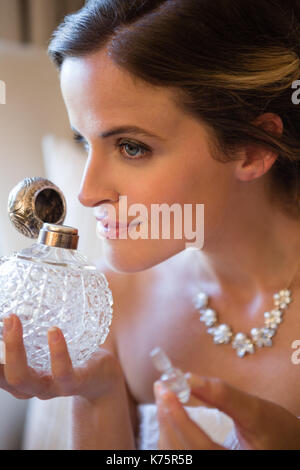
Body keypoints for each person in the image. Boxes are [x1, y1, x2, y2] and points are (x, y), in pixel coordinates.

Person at [1, 0, 300, 450]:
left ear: (252, 151)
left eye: (132, 147)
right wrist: (99, 395)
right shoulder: (107, 306)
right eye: (83, 141)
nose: (86, 193)